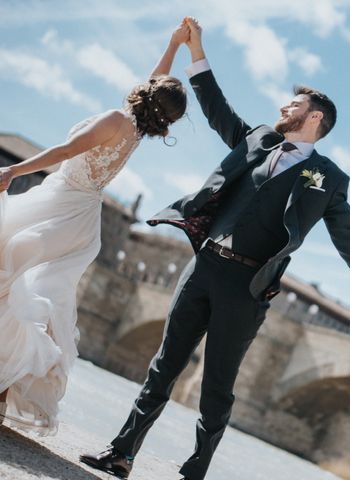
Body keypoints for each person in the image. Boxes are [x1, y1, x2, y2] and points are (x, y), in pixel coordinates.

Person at [81, 17, 350, 480]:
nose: (284, 105)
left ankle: (195, 470)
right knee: (163, 367)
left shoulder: (329, 180)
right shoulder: (258, 139)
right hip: (203, 267)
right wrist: (196, 50)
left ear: (314, 118)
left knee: (217, 386)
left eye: (294, 103)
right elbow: (215, 105)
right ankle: (121, 453)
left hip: (248, 287)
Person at [0, 23, 189, 435]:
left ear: (146, 95)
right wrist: (173, 44)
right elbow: (156, 80)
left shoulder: (116, 119)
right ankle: (5, 388)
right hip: (85, 218)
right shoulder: (137, 131)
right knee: (35, 294)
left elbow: (67, 151)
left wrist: (14, 169)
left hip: (61, 201)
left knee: (9, 267)